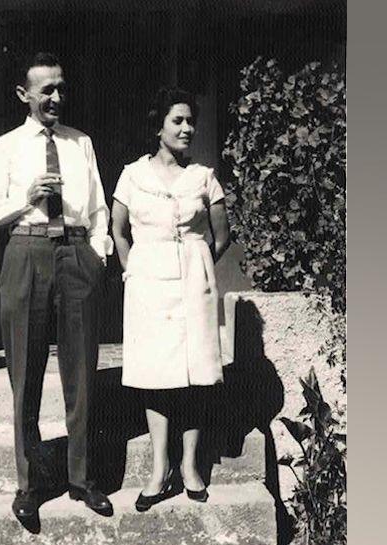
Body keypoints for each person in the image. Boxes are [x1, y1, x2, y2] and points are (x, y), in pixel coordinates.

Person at [0, 52, 113, 519]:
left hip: (75, 254)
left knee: (81, 372)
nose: (56, 97)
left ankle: (82, 478)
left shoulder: (81, 144)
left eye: (60, 87)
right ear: (24, 95)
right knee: (26, 371)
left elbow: (98, 210)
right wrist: (26, 196)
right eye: (46, 90)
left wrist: (97, 254)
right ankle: (29, 485)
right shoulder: (6, 147)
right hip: (26, 250)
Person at [111, 88, 231, 512]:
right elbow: (118, 231)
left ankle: (191, 466)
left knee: (196, 371)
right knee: (155, 373)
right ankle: (159, 468)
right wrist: (134, 270)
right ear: (158, 126)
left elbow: (222, 235)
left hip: (193, 285)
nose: (187, 128)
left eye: (190, 121)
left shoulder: (204, 177)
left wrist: (195, 266)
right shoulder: (132, 176)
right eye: (177, 120)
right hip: (148, 285)